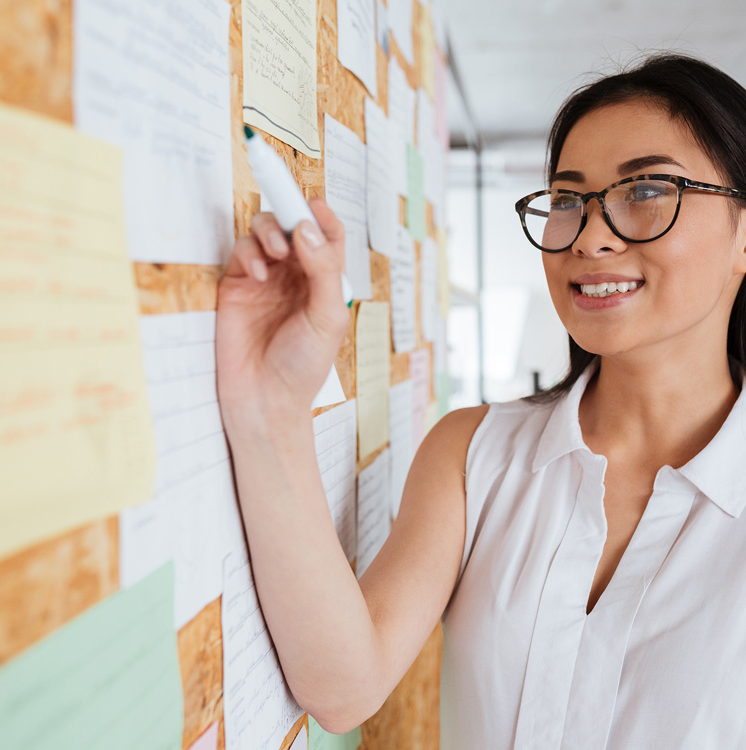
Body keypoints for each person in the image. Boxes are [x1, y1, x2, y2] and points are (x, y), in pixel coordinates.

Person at [215, 52, 746, 749]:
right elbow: (344, 689)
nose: (588, 236)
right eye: (566, 200)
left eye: (645, 190)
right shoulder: (472, 454)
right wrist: (272, 408)